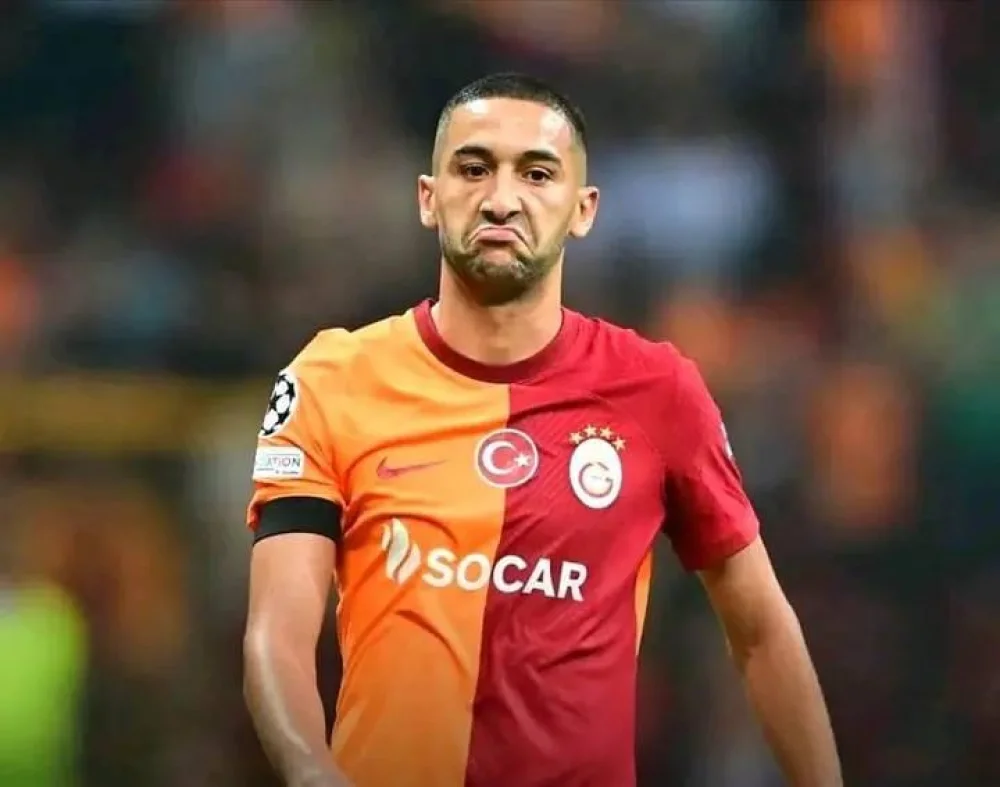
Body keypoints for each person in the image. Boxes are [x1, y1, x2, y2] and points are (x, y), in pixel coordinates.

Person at [242, 72, 842, 787]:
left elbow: (762, 630)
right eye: (473, 168)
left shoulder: (658, 391)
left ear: (583, 210)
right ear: (428, 198)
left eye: (536, 173)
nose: (501, 198)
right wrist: (313, 774)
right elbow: (276, 636)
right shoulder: (331, 379)